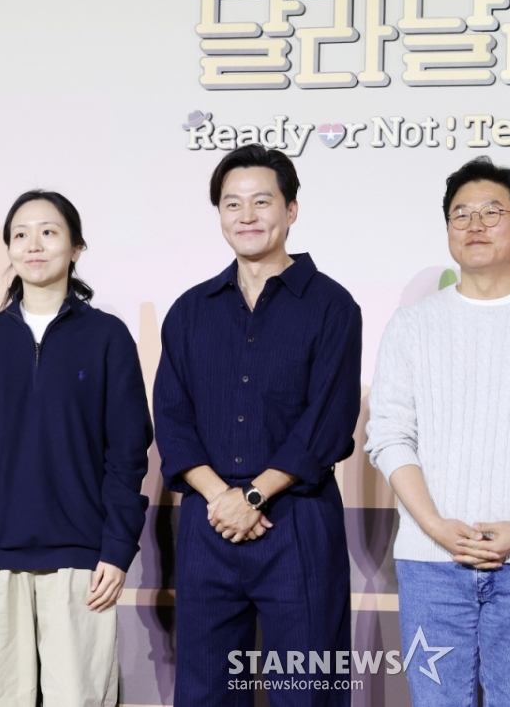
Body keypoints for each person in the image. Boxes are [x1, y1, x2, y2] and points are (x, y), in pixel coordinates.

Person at [364, 156, 510, 707]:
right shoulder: (413, 325)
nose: (474, 224)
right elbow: (390, 434)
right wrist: (437, 527)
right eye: (460, 214)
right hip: (431, 562)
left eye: (492, 212)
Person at [154, 144, 362, 706]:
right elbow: (172, 419)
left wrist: (254, 495)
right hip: (209, 522)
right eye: (231, 204)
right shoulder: (191, 310)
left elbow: (328, 422)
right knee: (204, 693)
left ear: (291, 210)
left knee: (307, 690)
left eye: (261, 201)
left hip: (296, 520)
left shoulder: (332, 306)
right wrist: (224, 498)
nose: (246, 216)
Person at [0, 190, 152, 707]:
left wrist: (117, 551)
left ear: (76, 248)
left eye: (49, 232)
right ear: (9, 249)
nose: (34, 244)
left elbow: (128, 455)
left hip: (82, 562)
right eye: (21, 234)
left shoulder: (107, 337)